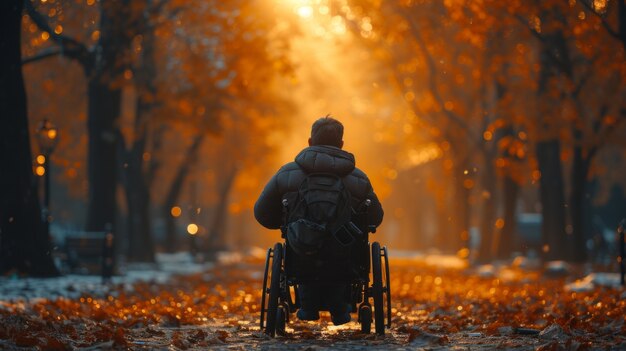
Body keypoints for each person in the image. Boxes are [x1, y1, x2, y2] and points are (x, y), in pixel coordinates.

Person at [254, 116, 383, 325]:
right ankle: (341, 309)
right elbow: (375, 218)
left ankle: (307, 306)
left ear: (309, 142)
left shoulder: (287, 173)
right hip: (345, 261)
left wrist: (288, 222)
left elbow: (262, 213)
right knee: (343, 247)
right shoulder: (359, 179)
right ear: (341, 144)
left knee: (304, 247)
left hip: (301, 257)